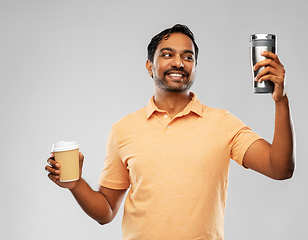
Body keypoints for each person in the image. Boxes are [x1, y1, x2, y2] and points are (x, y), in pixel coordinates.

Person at [45, 24, 295, 239]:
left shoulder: (222, 123)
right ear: (149, 66)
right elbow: (107, 210)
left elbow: (280, 168)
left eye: (188, 57)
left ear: (195, 68)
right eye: (167, 54)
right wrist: (75, 184)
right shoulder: (124, 129)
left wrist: (280, 100)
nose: (178, 62)